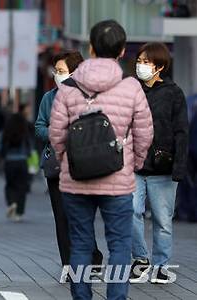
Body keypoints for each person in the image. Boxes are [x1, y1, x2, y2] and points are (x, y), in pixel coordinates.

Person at [49, 20, 153, 299]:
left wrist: (67, 162)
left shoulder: (69, 89)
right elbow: (144, 133)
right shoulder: (131, 87)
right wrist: (136, 164)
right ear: (121, 51)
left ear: (91, 48)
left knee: (80, 244)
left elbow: (56, 134)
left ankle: (82, 296)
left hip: (76, 181)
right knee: (119, 245)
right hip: (118, 181)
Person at [35, 50, 104, 274]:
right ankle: (69, 264)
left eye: (62, 71)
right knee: (61, 216)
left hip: (84, 165)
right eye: (56, 71)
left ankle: (92, 258)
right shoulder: (49, 98)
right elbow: (39, 126)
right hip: (57, 165)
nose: (58, 75)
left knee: (82, 215)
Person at [129, 42, 189, 284]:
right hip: (134, 165)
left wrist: (179, 167)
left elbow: (182, 132)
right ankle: (141, 259)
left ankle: (161, 265)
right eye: (139, 61)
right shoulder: (132, 91)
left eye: (146, 62)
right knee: (130, 212)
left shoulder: (174, 93)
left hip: (164, 168)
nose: (140, 65)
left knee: (163, 221)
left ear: (160, 66)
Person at [1, 109, 33, 222]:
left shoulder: (7, 132)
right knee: (21, 187)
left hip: (9, 161)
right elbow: (29, 148)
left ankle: (11, 203)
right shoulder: (24, 132)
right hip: (22, 162)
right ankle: (19, 212)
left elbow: (2, 148)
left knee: (10, 185)